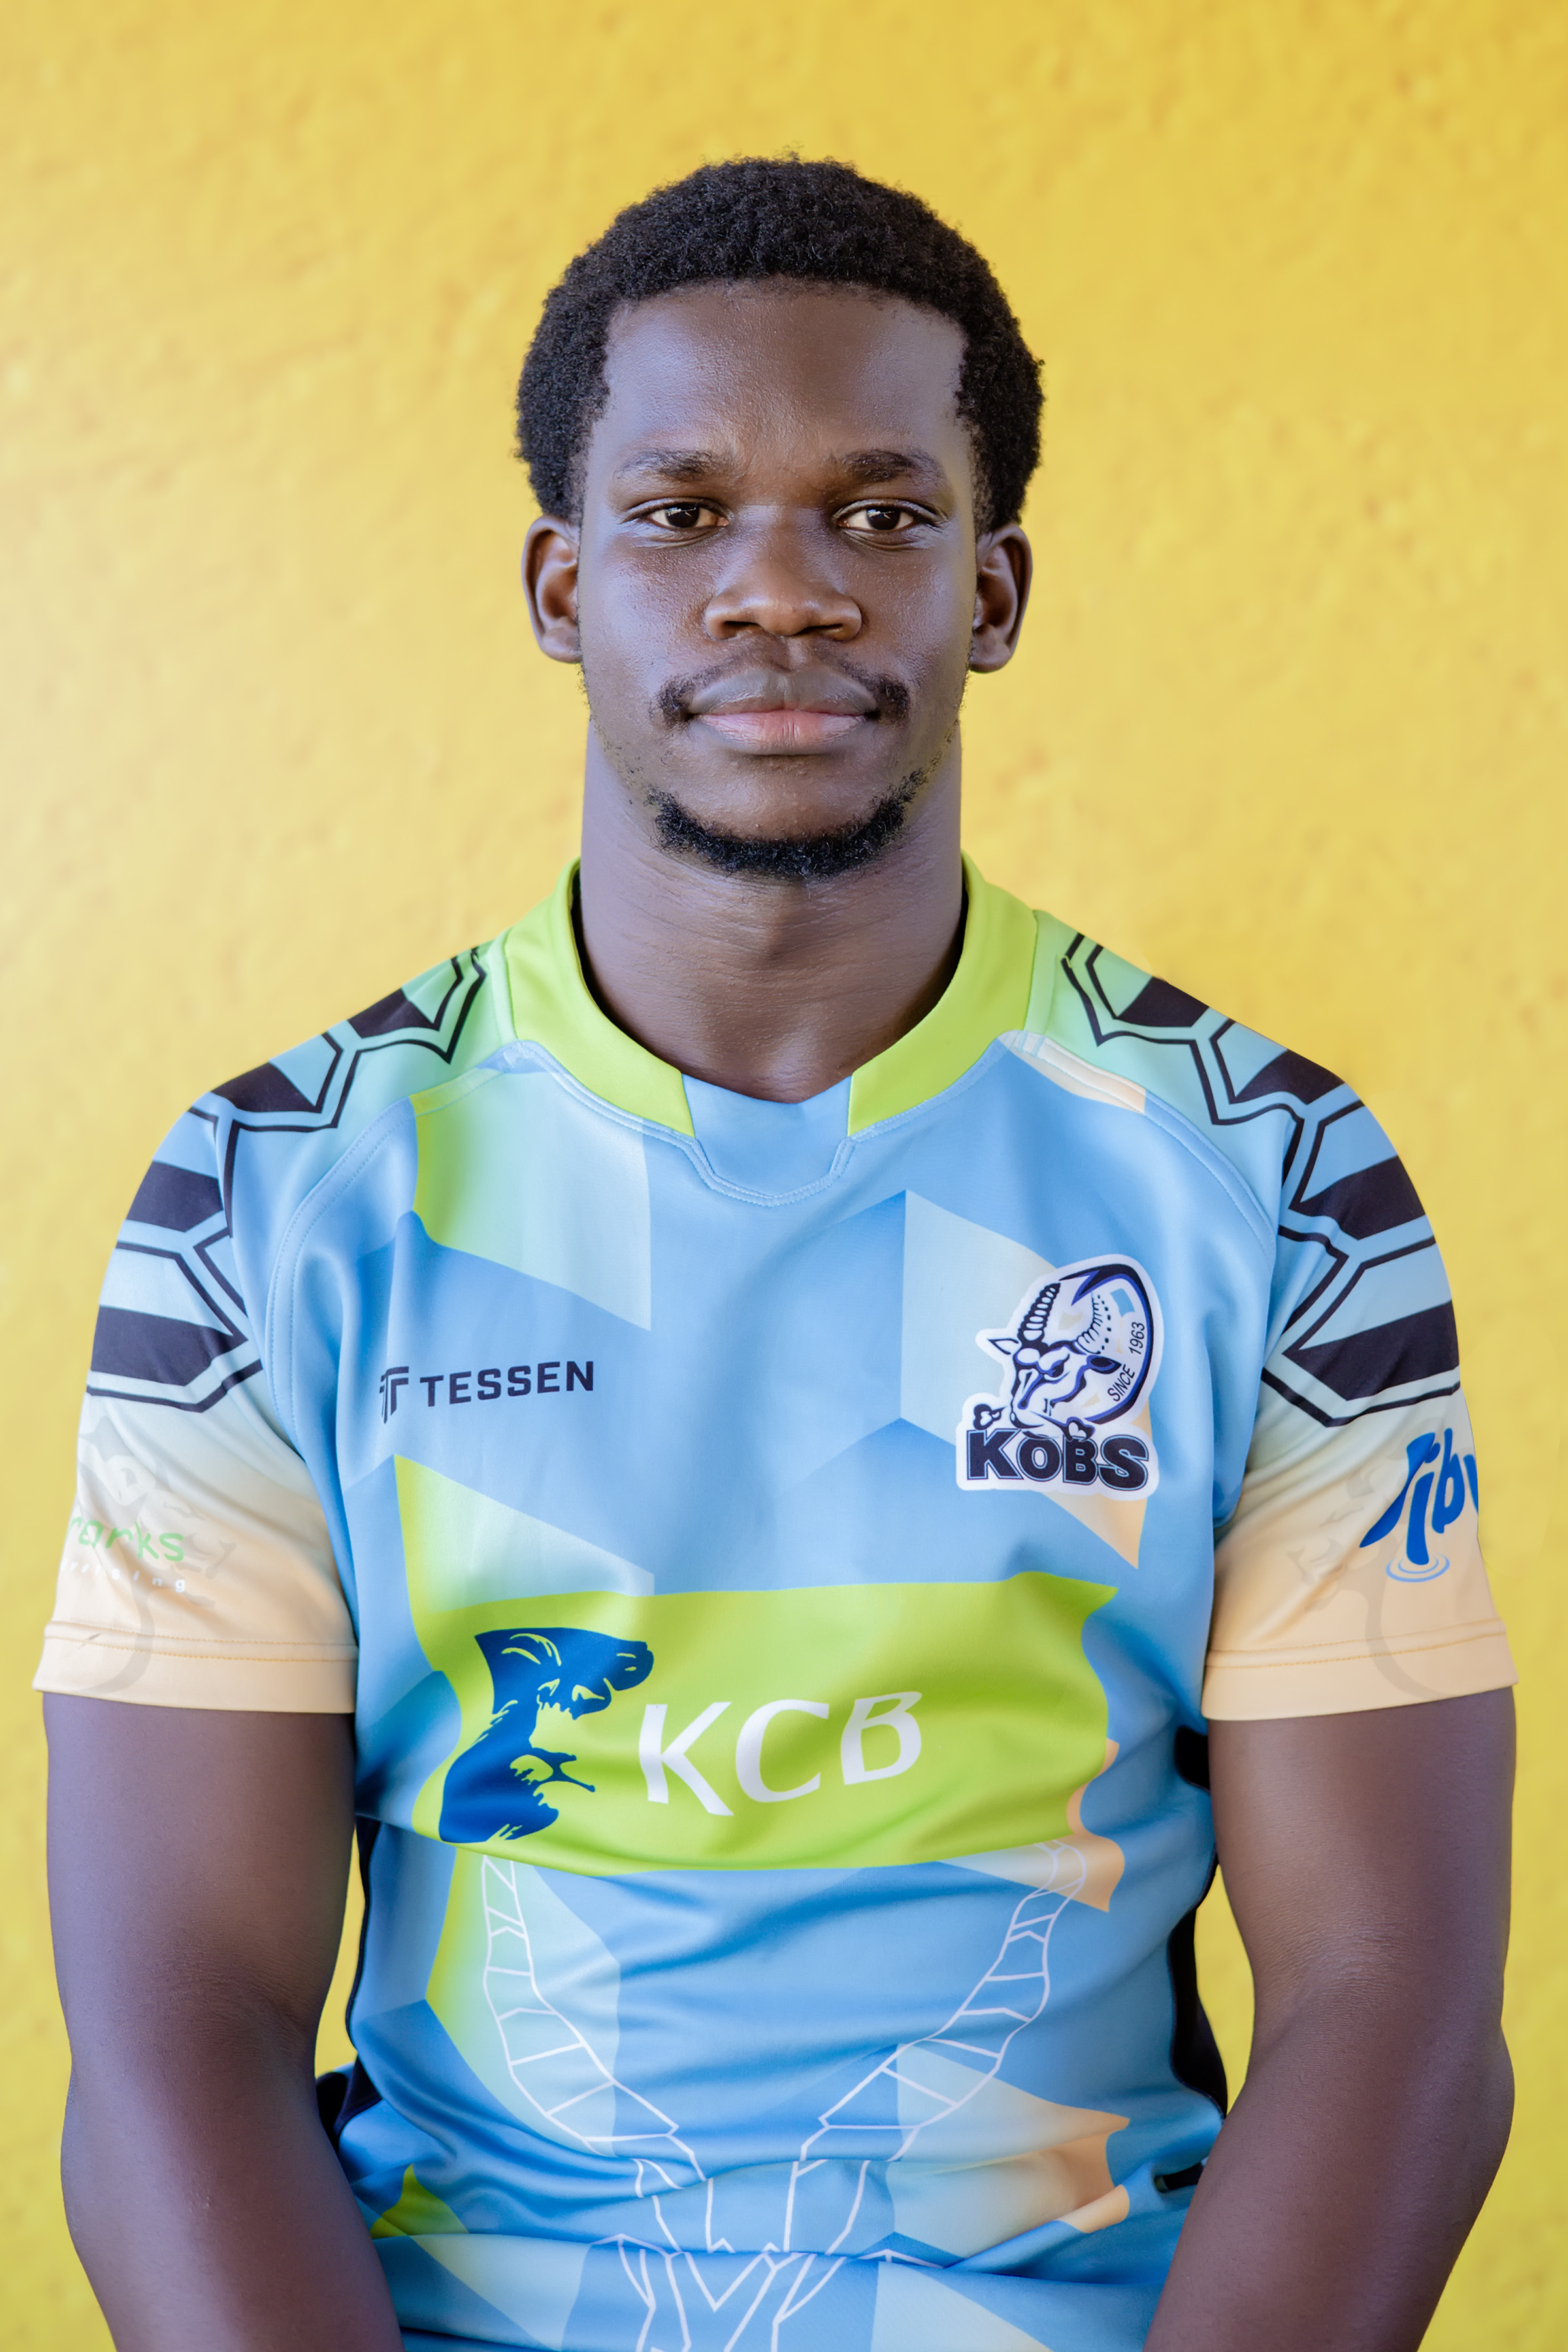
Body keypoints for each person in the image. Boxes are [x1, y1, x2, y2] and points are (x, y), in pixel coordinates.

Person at [40, 158, 1515, 2352]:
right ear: (563, 586)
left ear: (992, 592)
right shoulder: (272, 1194)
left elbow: (1393, 2006)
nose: (783, 590)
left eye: (882, 513)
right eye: (681, 512)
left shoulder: (1273, 1175)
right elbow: (179, 2020)